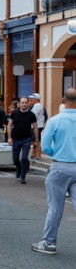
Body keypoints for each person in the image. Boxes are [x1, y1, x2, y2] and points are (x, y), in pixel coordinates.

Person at [32, 88, 76, 254]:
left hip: (60, 166)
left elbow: (46, 146)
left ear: (63, 100)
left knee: (55, 207)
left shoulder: (56, 120)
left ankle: (49, 243)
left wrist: (56, 152)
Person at [7, 97, 39, 184]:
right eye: (22, 103)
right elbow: (9, 125)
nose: (24, 104)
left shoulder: (31, 114)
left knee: (24, 158)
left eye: (25, 103)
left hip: (27, 139)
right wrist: (9, 138)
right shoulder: (14, 113)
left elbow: (35, 127)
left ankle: (23, 176)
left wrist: (36, 139)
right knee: (15, 159)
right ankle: (19, 169)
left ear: (28, 103)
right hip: (16, 139)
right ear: (19, 104)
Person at [29, 93, 46, 160]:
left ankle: (38, 155)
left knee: (37, 141)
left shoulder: (37, 106)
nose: (31, 100)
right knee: (34, 141)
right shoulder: (37, 105)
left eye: (32, 99)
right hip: (37, 125)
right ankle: (34, 154)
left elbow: (33, 116)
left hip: (37, 126)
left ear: (36, 99)